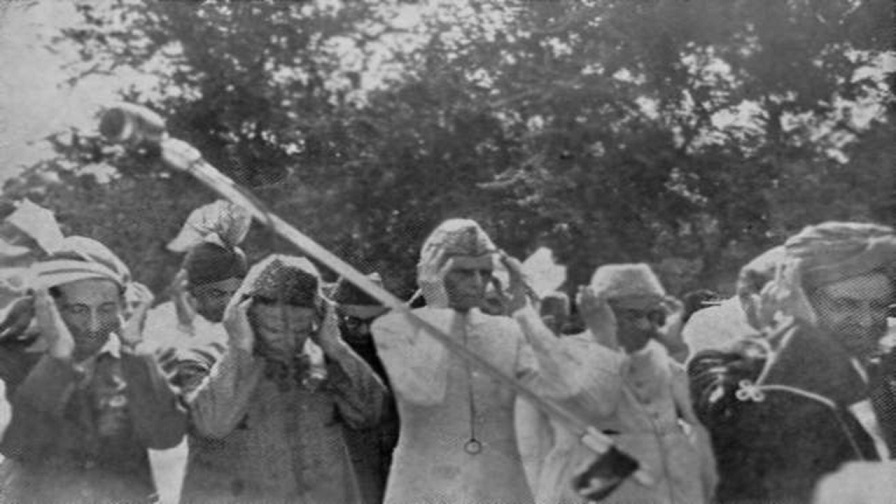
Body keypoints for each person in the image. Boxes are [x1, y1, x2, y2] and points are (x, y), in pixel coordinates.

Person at [371, 218, 599, 504]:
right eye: (464, 273)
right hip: (426, 488)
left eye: (485, 272)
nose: (478, 283)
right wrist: (437, 308)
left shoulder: (507, 330)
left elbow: (565, 391)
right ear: (432, 272)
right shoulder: (393, 327)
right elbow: (423, 392)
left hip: (497, 487)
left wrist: (524, 313)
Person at [688, 222, 896, 503]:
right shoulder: (720, 369)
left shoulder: (882, 371)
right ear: (795, 299)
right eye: (844, 305)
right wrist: (798, 333)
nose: (866, 321)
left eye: (878, 306)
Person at [180, 254, 387, 503]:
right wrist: (240, 349)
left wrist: (335, 347)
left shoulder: (323, 364)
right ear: (245, 315)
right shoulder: (201, 360)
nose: (289, 342)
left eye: (300, 330)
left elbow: (370, 413)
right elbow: (211, 424)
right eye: (274, 329)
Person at [0, 237, 187, 503]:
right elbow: (19, 446)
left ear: (122, 306)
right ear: (50, 308)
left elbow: (164, 437)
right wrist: (58, 358)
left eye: (106, 309)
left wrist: (134, 351)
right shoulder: (14, 357)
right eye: (78, 310)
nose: (93, 326)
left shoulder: (145, 358)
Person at [519, 263, 716, 504]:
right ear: (599, 311)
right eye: (633, 315)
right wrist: (606, 341)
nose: (647, 326)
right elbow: (593, 410)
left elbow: (700, 432)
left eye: (654, 315)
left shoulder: (666, 366)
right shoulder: (565, 356)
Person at [332, 274, 398, 504]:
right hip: (350, 460)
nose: (364, 331)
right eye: (353, 322)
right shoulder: (324, 349)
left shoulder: (397, 339)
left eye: (373, 322)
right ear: (336, 315)